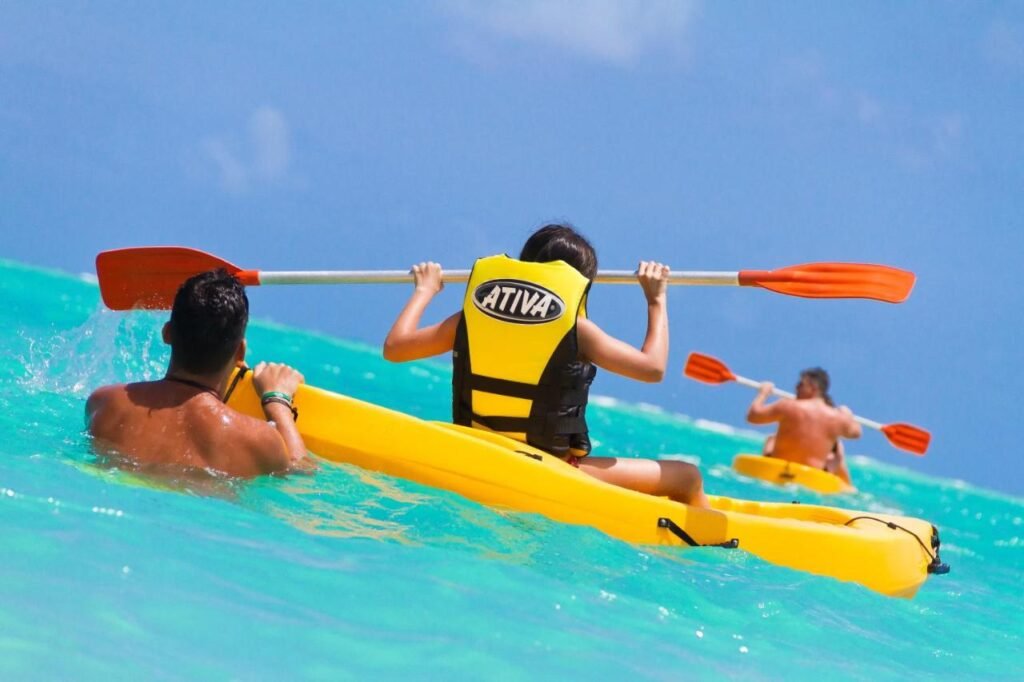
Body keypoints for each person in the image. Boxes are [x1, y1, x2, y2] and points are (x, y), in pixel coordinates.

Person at [383, 223, 708, 507]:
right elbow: (653, 368)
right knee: (688, 477)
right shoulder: (578, 331)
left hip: (476, 449)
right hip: (550, 467)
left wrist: (424, 291)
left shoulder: (471, 318)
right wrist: (656, 300)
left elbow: (395, 349)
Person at [86, 269, 312, 477]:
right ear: (240, 352)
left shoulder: (103, 404)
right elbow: (301, 477)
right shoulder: (258, 441)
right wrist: (277, 400)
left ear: (167, 333)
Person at [746, 367, 861, 484]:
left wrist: (763, 393)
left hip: (778, 471)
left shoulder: (788, 406)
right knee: (838, 454)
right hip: (812, 478)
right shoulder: (838, 418)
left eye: (800, 384)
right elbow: (856, 433)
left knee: (770, 440)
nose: (796, 388)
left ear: (813, 387)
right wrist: (847, 414)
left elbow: (753, 416)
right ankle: (850, 487)